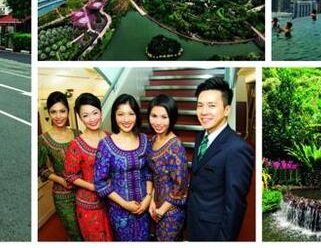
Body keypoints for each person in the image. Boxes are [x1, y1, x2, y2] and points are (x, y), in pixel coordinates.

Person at [187, 77, 254, 241]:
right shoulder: (200, 136)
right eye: (200, 105)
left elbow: (235, 204)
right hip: (195, 221)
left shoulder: (237, 149)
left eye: (211, 106)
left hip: (214, 231)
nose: (203, 112)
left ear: (226, 110)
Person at [94, 94, 152, 241]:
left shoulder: (144, 140)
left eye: (131, 114)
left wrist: (148, 198)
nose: (126, 119)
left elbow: (148, 172)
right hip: (119, 211)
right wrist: (125, 204)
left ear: (137, 116)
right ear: (114, 116)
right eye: (121, 114)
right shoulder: (106, 145)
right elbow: (99, 182)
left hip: (143, 208)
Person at [64, 93, 113, 241]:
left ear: (101, 112)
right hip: (89, 205)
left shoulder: (110, 137)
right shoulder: (76, 144)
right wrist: (95, 187)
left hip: (113, 201)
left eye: (95, 113)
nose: (92, 119)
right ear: (80, 118)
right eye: (85, 115)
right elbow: (70, 175)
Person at [38, 91, 83, 241]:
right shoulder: (43, 139)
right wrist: (61, 180)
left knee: (88, 230)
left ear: (68, 112)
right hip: (63, 195)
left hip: (85, 191)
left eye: (62, 111)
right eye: (54, 112)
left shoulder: (78, 134)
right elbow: (41, 169)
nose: (58, 116)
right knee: (74, 233)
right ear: (48, 113)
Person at [147, 94, 188, 241]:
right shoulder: (153, 140)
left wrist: (161, 211)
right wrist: (151, 201)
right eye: (154, 116)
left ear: (172, 118)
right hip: (156, 204)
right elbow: (151, 174)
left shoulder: (175, 146)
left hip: (171, 211)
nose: (158, 122)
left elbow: (180, 186)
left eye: (164, 117)